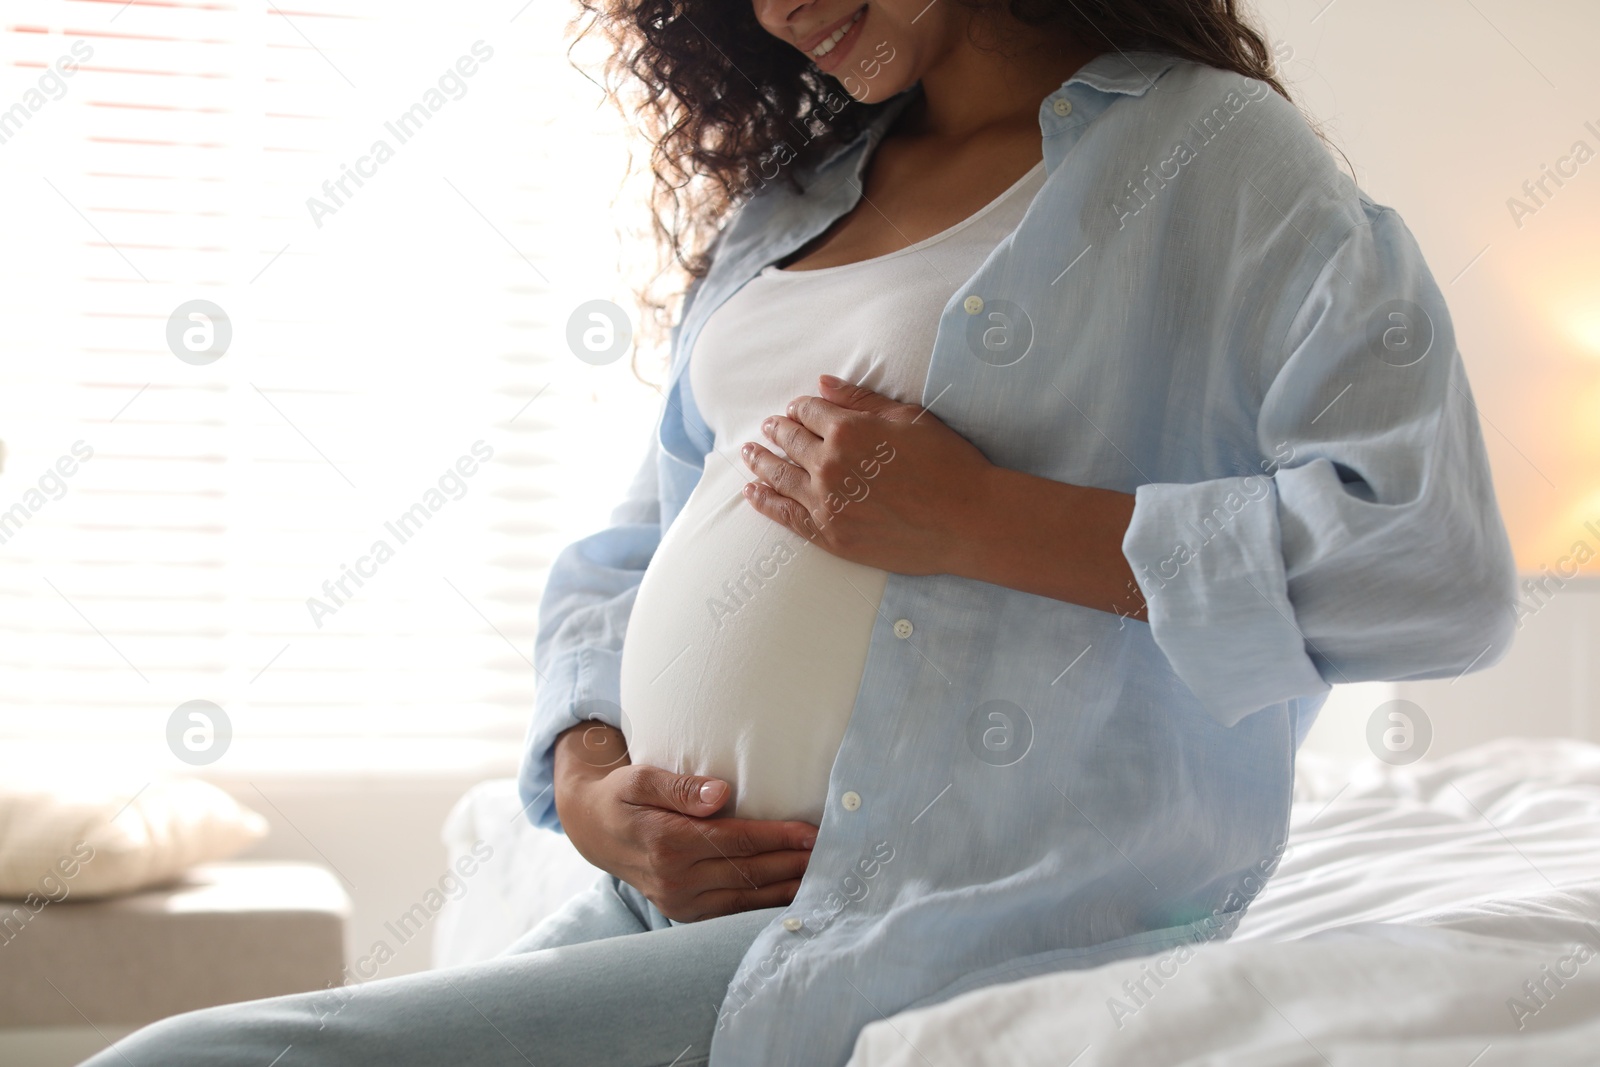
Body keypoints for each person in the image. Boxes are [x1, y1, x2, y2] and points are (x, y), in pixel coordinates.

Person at [84, 1, 1516, 1064]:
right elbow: (629, 549)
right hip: (668, 907)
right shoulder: (795, 203)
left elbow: (1430, 568)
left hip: (940, 915)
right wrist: (591, 791)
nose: (775, 8)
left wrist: (981, 518)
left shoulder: (1210, 159)